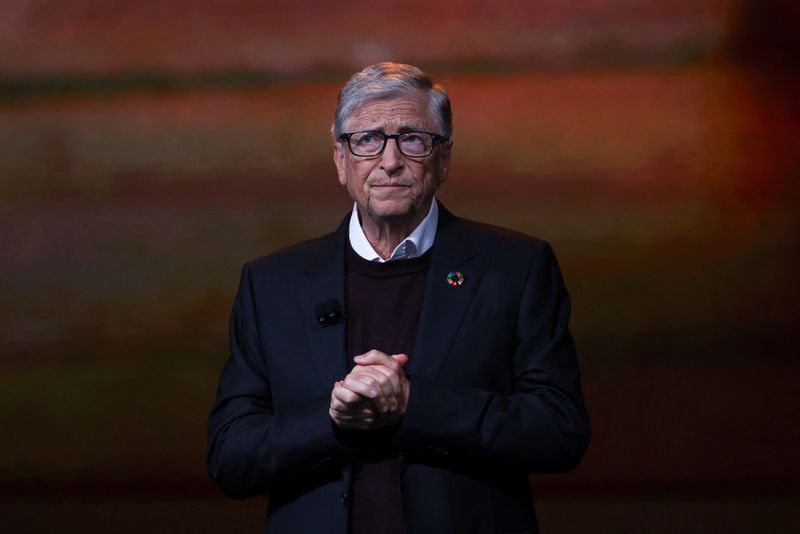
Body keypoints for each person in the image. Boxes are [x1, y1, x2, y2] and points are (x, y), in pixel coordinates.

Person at [207, 62, 590, 534]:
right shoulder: (272, 284)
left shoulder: (514, 268)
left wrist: (414, 404)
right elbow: (231, 458)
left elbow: (560, 433)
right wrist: (335, 420)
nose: (389, 161)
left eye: (412, 138)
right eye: (367, 139)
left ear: (444, 159)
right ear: (340, 160)